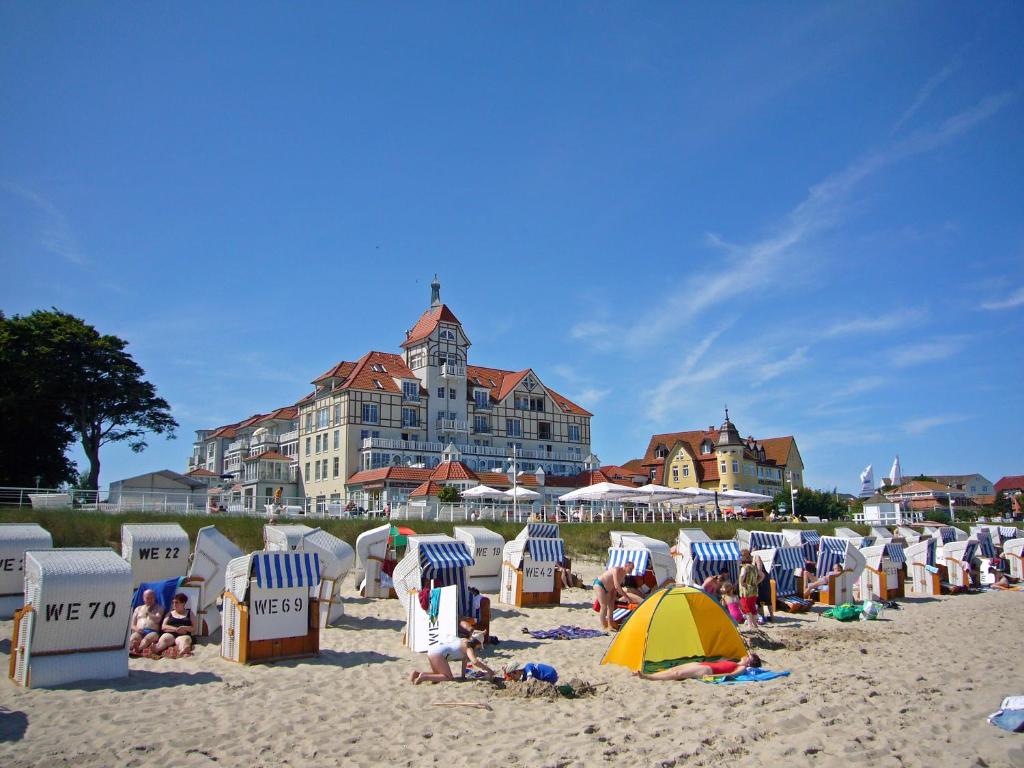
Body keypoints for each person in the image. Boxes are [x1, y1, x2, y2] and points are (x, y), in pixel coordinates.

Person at [411, 632, 494, 684]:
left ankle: (417, 674)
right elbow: (475, 662)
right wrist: (489, 670)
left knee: (438, 675)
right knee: (448, 677)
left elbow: (464, 660)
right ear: (477, 644)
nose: (478, 648)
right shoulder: (469, 648)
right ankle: (424, 678)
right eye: (479, 646)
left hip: (432, 650)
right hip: (438, 654)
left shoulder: (464, 640)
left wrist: (463, 676)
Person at [633, 653, 762, 681]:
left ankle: (648, 677)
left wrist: (711, 676)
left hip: (707, 670)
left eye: (748, 657)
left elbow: (729, 676)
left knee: (678, 675)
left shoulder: (742, 668)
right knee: (674, 669)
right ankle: (650, 675)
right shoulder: (734, 661)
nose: (745, 655)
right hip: (704, 664)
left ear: (749, 663)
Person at [152, 592, 196, 658]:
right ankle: (157, 648)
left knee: (183, 640)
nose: (174, 604)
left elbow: (194, 628)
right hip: (170, 633)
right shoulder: (170, 613)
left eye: (177, 602)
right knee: (165, 639)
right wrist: (176, 629)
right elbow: (163, 627)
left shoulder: (189, 613)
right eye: (173, 602)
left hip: (183, 634)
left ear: (183, 603)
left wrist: (184, 627)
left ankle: (184, 650)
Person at [593, 561, 635, 630]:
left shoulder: (623, 575)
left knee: (611, 606)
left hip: (609, 589)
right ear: (625, 566)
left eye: (632, 569)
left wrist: (613, 598)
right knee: (603, 606)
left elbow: (614, 588)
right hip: (600, 584)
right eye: (630, 568)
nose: (631, 570)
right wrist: (627, 597)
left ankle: (610, 625)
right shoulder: (616, 570)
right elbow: (617, 586)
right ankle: (604, 626)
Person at [128, 589, 164, 655]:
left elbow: (158, 619)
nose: (149, 600)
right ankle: (132, 648)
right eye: (147, 598)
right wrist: (136, 629)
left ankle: (138, 649)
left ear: (154, 598)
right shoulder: (138, 609)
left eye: (151, 598)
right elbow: (132, 624)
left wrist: (148, 613)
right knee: (134, 638)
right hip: (139, 630)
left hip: (153, 631)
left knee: (146, 639)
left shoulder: (159, 608)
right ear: (143, 598)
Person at [737, 549, 760, 630]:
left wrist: (741, 582)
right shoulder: (754, 567)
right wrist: (756, 582)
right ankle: (755, 625)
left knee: (746, 608)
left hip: (746, 591)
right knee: (752, 607)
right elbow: (762, 575)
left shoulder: (745, 567)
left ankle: (750, 625)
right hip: (754, 590)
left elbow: (742, 575)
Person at [754, 555, 774, 623]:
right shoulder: (754, 558)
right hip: (763, 580)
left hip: (762, 581)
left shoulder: (756, 557)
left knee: (764, 599)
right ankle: (769, 616)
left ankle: (768, 617)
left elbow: (759, 568)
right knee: (765, 600)